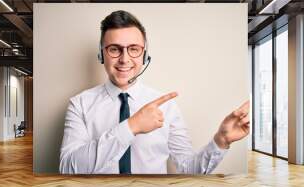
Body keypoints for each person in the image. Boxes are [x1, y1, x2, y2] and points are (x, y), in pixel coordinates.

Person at [59, 10, 250, 174]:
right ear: (102, 54)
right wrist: (131, 127)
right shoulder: (80, 104)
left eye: (134, 49)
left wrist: (221, 141)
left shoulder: (167, 106)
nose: (124, 59)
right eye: (114, 49)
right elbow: (67, 168)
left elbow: (189, 169)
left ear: (144, 54)